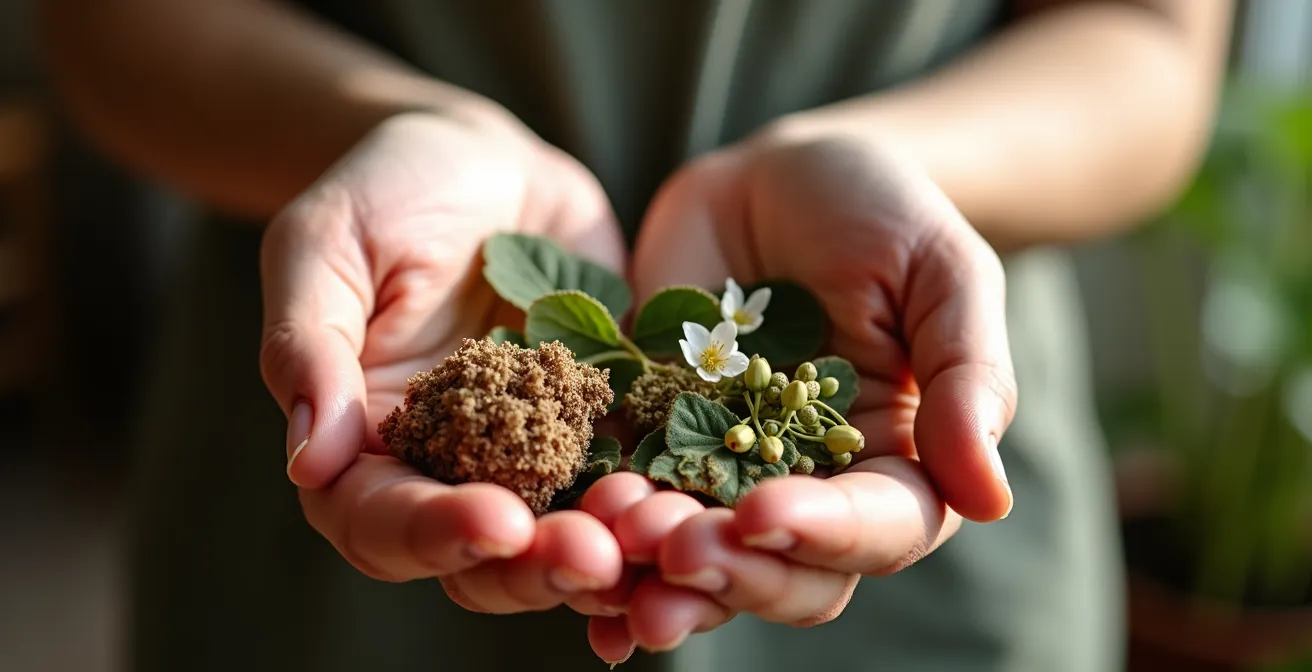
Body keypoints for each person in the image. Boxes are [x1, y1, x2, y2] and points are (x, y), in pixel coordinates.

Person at [41, 0, 1233, 670]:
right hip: (361, 397)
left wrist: (904, 170)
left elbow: (1150, 42)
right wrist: (392, 124)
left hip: (890, 410)